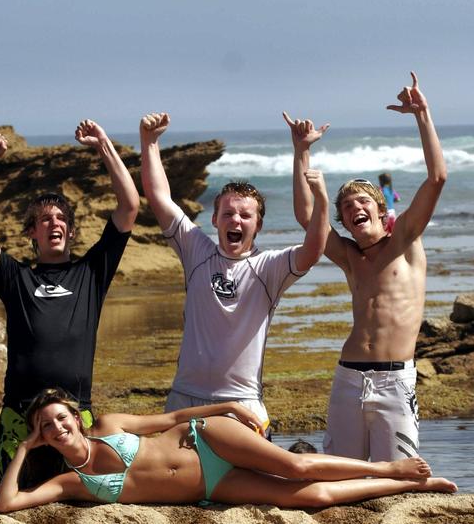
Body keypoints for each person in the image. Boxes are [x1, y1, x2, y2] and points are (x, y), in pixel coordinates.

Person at [0, 119, 140, 480]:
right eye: (43, 219)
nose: (53, 224)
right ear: (32, 233)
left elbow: (129, 205)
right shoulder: (15, 277)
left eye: (60, 219)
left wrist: (103, 144)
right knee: (15, 502)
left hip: (74, 415)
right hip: (19, 416)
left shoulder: (91, 273)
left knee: (76, 505)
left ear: (70, 230)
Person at [139, 111, 331, 434]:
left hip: (241, 403)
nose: (236, 220)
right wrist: (149, 142)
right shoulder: (195, 249)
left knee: (245, 486)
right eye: (228, 213)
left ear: (258, 225)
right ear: (214, 220)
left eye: (245, 215)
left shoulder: (269, 268)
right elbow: (159, 198)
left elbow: (312, 251)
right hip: (185, 400)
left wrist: (319, 194)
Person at [291, 73, 446, 462]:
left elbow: (437, 178)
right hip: (348, 378)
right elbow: (305, 215)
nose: (354, 208)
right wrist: (300, 153)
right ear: (343, 220)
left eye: (362, 201)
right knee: (344, 475)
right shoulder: (349, 258)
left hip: (396, 381)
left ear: (380, 209)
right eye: (346, 207)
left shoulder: (405, 243)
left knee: (398, 478)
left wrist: (422, 115)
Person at [0, 387, 457, 514]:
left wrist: (228, 405)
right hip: (212, 485)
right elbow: (6, 503)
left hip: (205, 438)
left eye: (61, 418)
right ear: (43, 437)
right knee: (311, 498)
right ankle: (403, 487)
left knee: (296, 466)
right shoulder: (69, 483)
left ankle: (388, 466)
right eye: (45, 427)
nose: (57, 427)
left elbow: (173, 419)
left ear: (77, 418)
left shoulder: (111, 424)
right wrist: (22, 451)